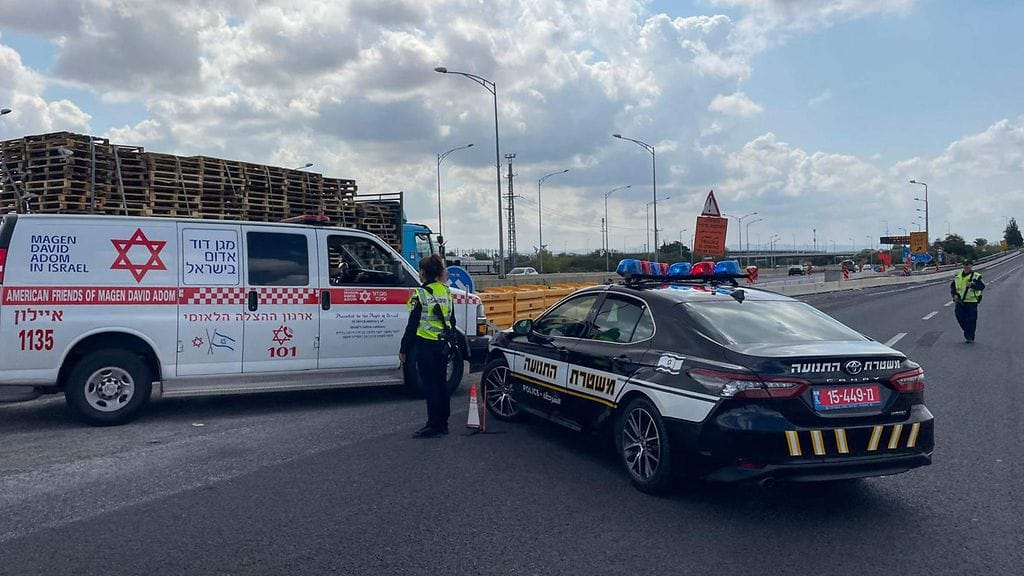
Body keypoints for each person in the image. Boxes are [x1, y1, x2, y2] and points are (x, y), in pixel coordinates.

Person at [400, 254, 456, 438]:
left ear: (423, 272)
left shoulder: (420, 294)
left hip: (426, 346)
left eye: (420, 270)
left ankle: (433, 425)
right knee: (442, 384)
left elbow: (412, 324)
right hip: (443, 345)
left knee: (430, 386)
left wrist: (404, 348)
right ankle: (443, 423)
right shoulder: (447, 291)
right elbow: (452, 320)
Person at [950, 259, 985, 343]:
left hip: (972, 301)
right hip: (960, 301)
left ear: (971, 266)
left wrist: (972, 285)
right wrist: (954, 295)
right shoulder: (958, 276)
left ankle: (970, 337)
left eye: (968, 264)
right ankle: (967, 331)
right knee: (960, 317)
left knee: (971, 319)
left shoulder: (976, 276)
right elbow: (953, 287)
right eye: (965, 265)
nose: (967, 266)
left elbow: (982, 286)